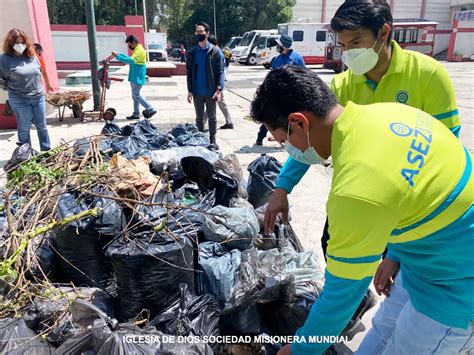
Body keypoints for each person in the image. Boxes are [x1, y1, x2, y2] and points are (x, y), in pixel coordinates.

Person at [264, 0, 463, 344]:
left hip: (436, 245)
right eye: (342, 45)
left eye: (355, 43)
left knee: (358, 287)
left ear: (384, 33)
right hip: (389, 215)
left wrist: (394, 254)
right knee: (375, 312)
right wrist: (283, 188)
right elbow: (309, 132)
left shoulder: (427, 76)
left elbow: (440, 169)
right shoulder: (343, 87)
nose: (348, 54)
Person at [0, 28, 51, 151]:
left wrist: (46, 85)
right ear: (10, 43)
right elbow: (1, 79)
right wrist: (12, 90)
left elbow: (40, 71)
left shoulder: (32, 55)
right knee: (24, 127)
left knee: (42, 126)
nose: (20, 45)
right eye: (17, 42)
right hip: (19, 99)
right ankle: (26, 154)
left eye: (22, 42)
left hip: (38, 96)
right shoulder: (4, 59)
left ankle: (46, 152)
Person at [256, 34, 305, 146]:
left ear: (284, 46)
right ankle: (260, 137)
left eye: (279, 45)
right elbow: (271, 75)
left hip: (291, 95)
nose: (277, 46)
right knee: (269, 116)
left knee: (291, 118)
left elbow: (304, 76)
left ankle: (291, 140)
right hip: (277, 94)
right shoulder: (277, 59)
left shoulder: (296, 58)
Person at [186, 22, 224, 149]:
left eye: (201, 31)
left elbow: (220, 71)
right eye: (197, 32)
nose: (199, 34)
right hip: (197, 91)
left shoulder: (215, 51)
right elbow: (189, 72)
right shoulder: (192, 52)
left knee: (212, 117)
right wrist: (190, 90)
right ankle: (200, 138)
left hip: (210, 91)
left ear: (207, 33)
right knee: (199, 118)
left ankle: (213, 139)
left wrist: (219, 89)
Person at [112, 34, 156, 120]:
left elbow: (130, 60)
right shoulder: (137, 49)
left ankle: (150, 108)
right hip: (135, 76)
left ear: (133, 42)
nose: (129, 46)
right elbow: (130, 58)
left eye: (129, 44)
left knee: (136, 95)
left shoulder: (139, 51)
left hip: (137, 77)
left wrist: (117, 57)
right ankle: (136, 114)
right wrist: (119, 54)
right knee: (135, 96)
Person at [203, 35, 233, 130]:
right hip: (218, 84)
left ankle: (201, 122)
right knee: (220, 103)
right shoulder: (218, 52)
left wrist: (218, 87)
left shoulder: (217, 53)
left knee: (212, 103)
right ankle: (229, 122)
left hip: (217, 84)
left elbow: (219, 71)